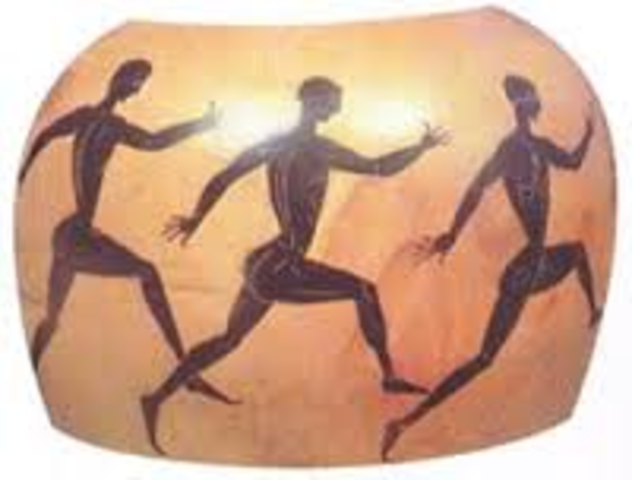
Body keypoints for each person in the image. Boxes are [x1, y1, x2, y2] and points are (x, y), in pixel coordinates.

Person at [141, 76, 450, 454]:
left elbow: (225, 176)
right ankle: (387, 375)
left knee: (229, 339)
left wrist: (197, 217)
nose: (338, 108)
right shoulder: (318, 148)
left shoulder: (276, 143)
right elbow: (379, 167)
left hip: (265, 262)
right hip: (282, 265)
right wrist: (421, 147)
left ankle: (157, 396)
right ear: (316, 102)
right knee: (364, 290)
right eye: (334, 101)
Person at [381, 74, 601, 461]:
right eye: (532, 99)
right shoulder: (511, 149)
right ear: (526, 107)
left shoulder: (536, 146)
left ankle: (593, 311)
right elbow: (476, 189)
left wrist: (588, 134)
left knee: (579, 253)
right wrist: (452, 234)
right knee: (485, 358)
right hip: (523, 271)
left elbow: (574, 161)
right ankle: (406, 421)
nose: (536, 104)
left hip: (534, 261)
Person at [18, 58, 235, 404]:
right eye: (136, 83)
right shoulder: (109, 124)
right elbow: (154, 141)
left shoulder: (85, 115)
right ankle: (187, 372)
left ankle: (30, 373)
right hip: (79, 238)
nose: (136, 90)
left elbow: (45, 135)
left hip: (68, 233)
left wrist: (23, 175)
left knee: (51, 319)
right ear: (121, 80)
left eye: (140, 84)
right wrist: (202, 123)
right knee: (148, 273)